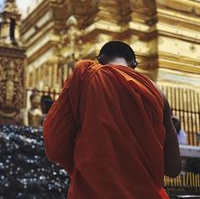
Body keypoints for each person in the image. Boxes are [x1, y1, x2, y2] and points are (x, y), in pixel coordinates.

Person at [43, 41, 181, 199]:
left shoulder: (85, 77)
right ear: (134, 63)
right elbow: (173, 168)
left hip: (92, 192)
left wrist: (82, 163)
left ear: (100, 59)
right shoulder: (157, 94)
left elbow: (54, 143)